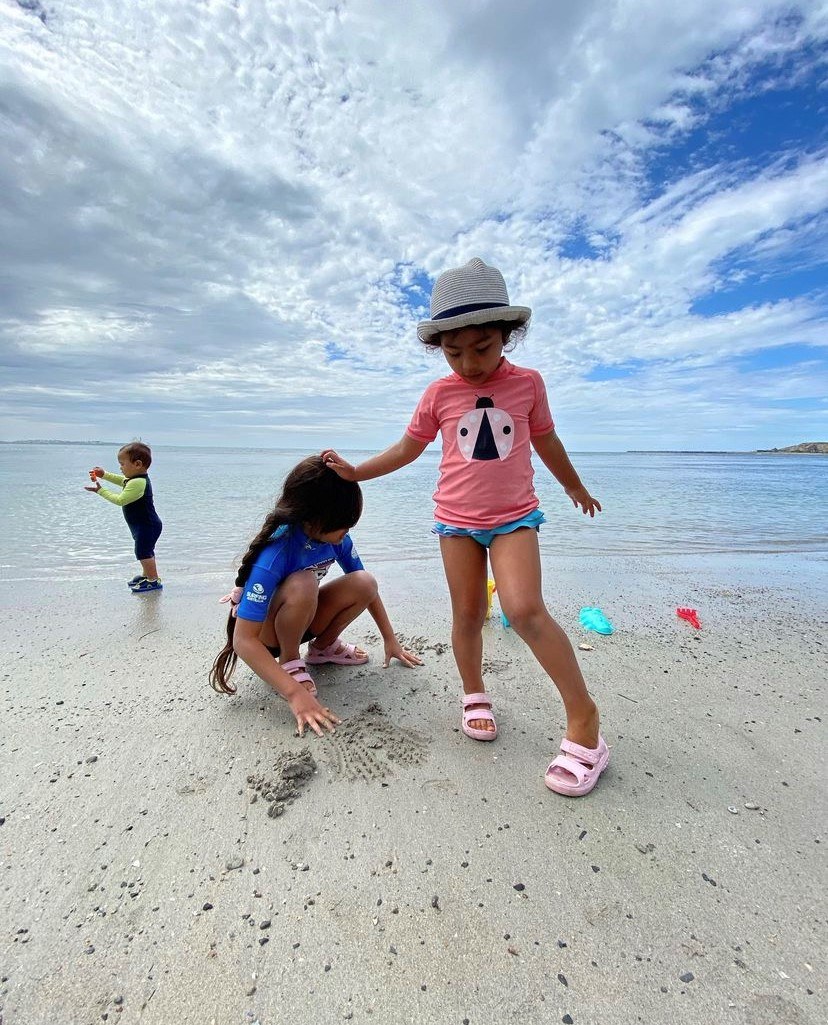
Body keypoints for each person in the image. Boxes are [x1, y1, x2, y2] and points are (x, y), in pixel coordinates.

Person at [323, 257, 608, 796]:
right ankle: (474, 693)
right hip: (455, 522)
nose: (470, 363)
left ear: (507, 335)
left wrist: (573, 485)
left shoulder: (527, 385)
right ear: (439, 349)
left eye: (482, 347)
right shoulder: (439, 394)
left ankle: (584, 721)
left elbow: (545, 439)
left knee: (524, 610)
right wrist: (358, 472)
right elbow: (410, 447)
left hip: (514, 518)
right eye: (455, 353)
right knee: (469, 614)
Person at [209, 455, 422, 737]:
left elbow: (367, 591)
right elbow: (243, 640)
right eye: (343, 524)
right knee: (305, 581)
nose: (347, 532)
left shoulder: (338, 540)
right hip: (267, 636)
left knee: (364, 582)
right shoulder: (276, 552)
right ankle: (290, 661)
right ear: (314, 520)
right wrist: (294, 693)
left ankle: (323, 648)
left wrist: (390, 639)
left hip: (303, 619)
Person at [85, 441, 163, 593]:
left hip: (147, 525)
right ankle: (147, 576)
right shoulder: (135, 479)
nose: (120, 468)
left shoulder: (139, 482)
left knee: (143, 552)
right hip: (143, 525)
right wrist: (104, 475)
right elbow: (122, 481)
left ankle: (153, 580)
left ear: (137, 464)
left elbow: (120, 500)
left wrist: (100, 491)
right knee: (145, 550)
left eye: (122, 464)